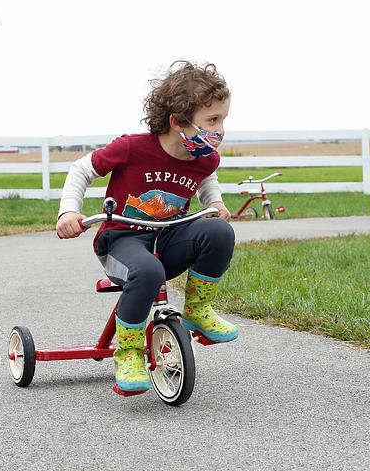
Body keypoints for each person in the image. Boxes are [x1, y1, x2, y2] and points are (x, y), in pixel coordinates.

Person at [56, 60, 236, 393]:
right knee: (148, 271)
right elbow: (81, 170)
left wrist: (215, 203)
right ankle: (127, 352)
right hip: (120, 243)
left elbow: (206, 178)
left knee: (220, 232)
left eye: (223, 119)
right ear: (178, 122)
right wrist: (69, 212)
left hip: (166, 242)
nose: (220, 129)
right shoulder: (133, 147)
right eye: (212, 120)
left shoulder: (205, 157)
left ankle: (198, 309)